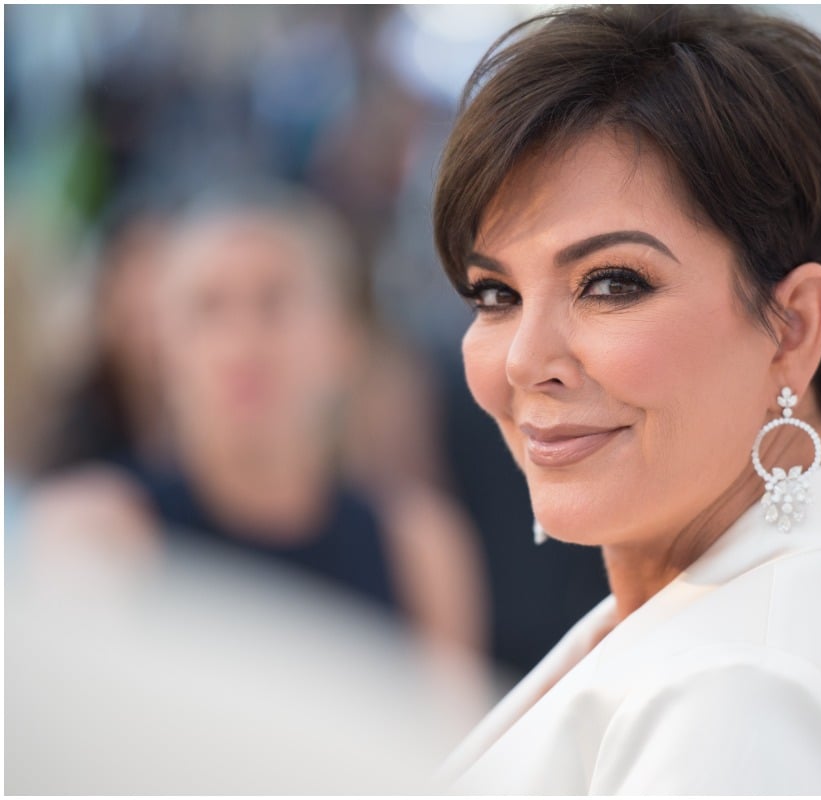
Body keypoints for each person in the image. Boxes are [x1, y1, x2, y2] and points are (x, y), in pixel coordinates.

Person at [429, 5, 821, 794]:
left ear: (792, 327)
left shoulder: (742, 697)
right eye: (495, 293)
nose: (526, 361)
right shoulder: (713, 611)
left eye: (610, 284)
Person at [25, 185, 489, 674]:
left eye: (275, 302)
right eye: (208, 308)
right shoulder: (96, 530)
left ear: (343, 342)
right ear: (164, 352)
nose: (242, 343)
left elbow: (452, 737)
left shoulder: (419, 549)